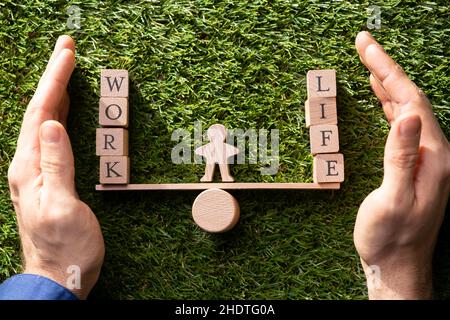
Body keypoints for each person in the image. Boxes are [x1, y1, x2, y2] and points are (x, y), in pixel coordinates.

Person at [0, 31, 449, 300]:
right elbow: (212, 157)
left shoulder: (221, 146)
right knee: (217, 177)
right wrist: (397, 276)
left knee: (222, 176)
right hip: (214, 174)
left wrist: (53, 272)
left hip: (220, 174)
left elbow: (224, 157)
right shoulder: (210, 146)